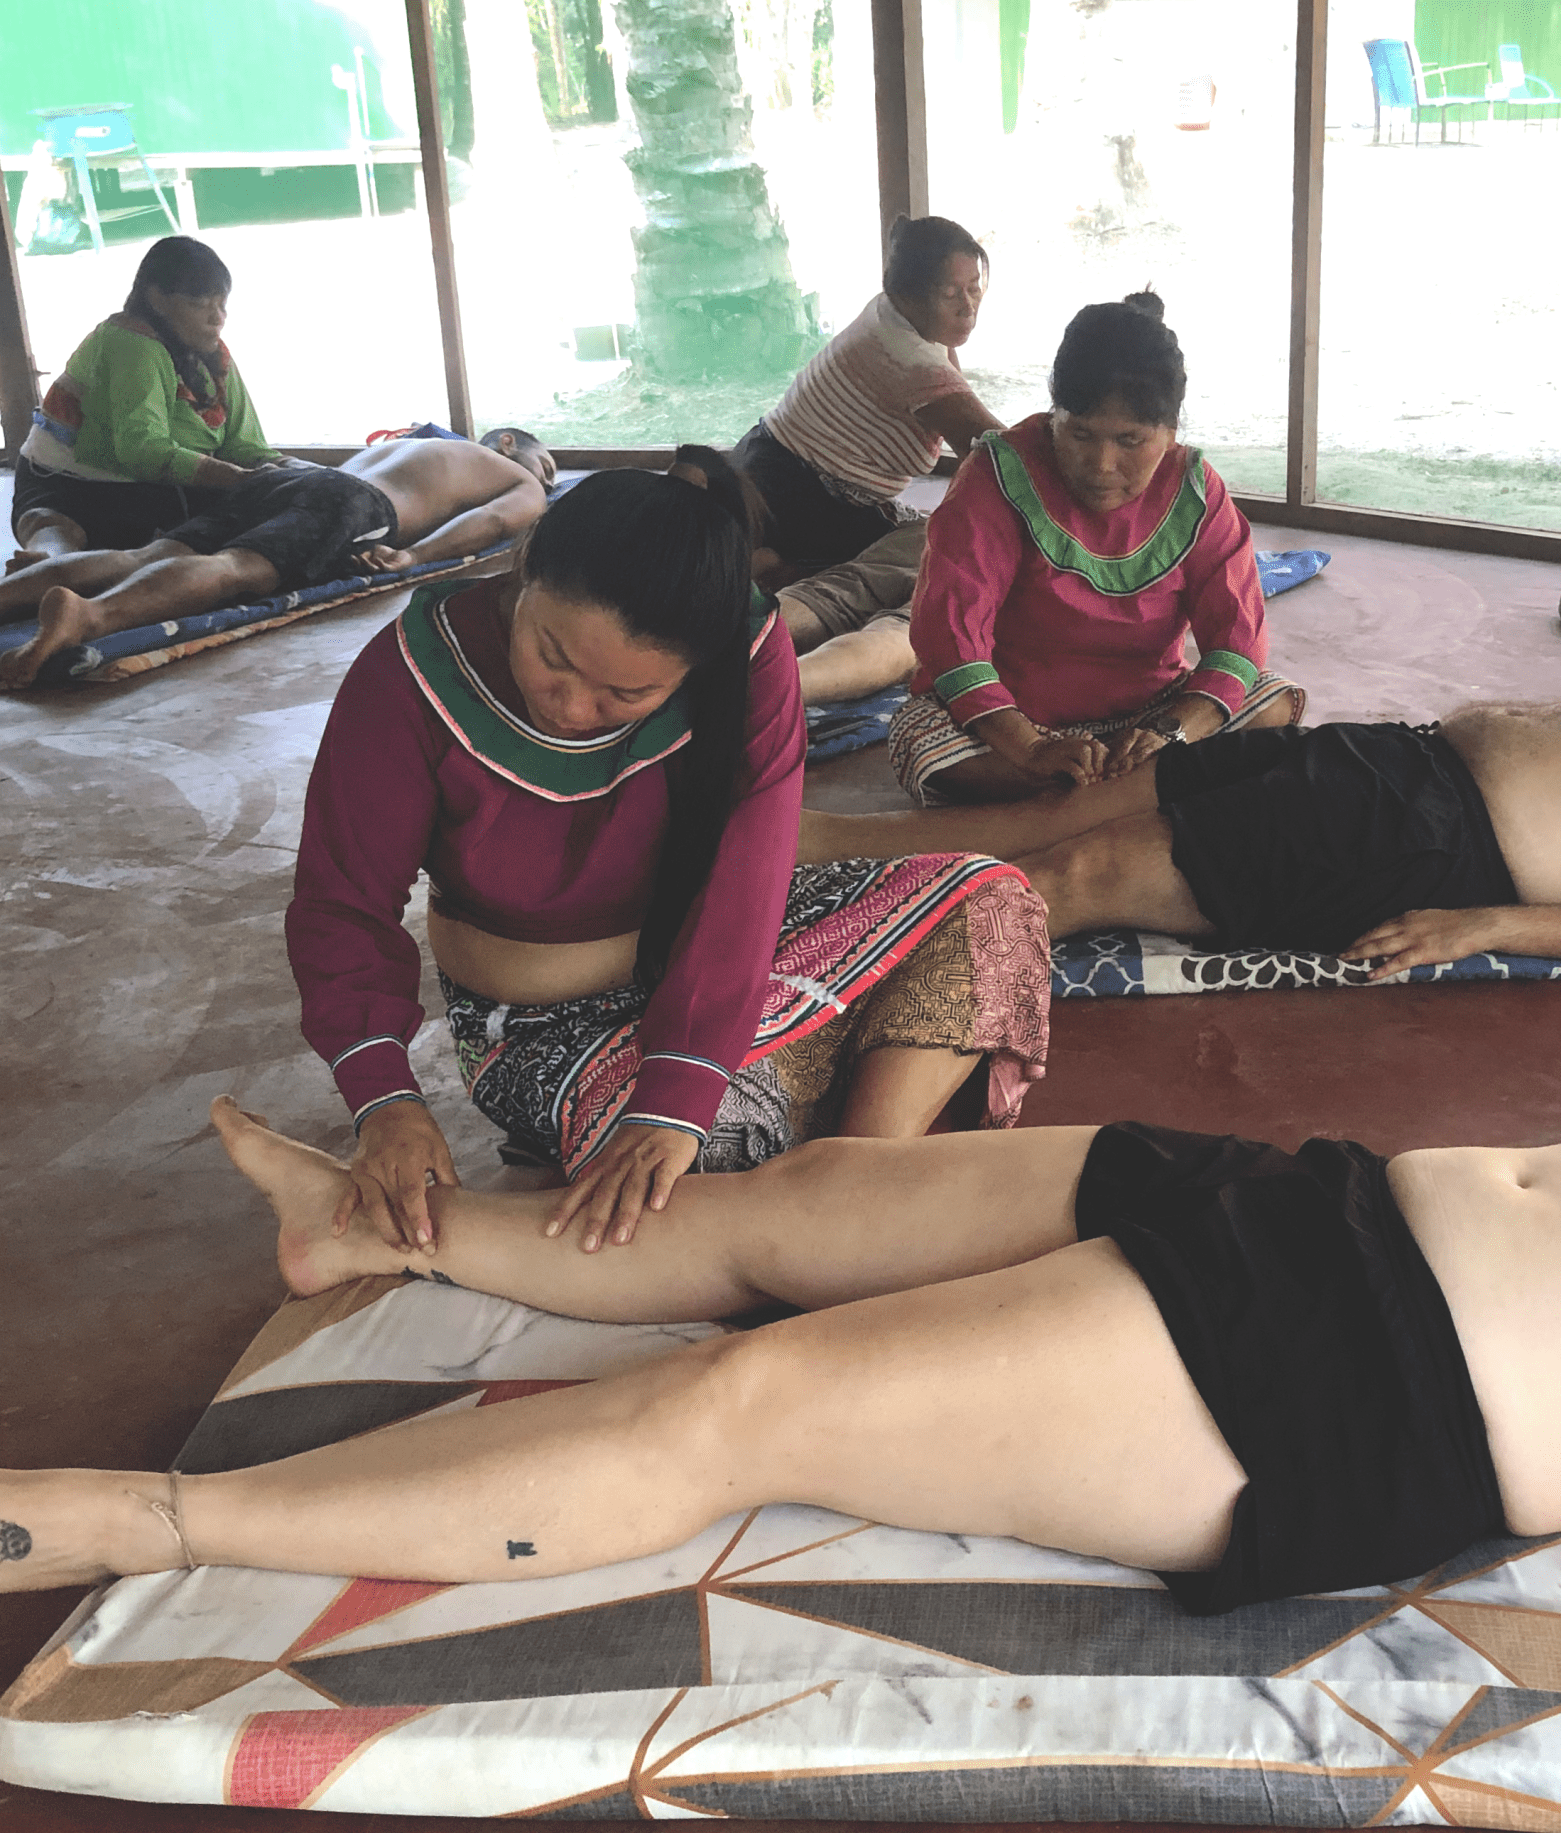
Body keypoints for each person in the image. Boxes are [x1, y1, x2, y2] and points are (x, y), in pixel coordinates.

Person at [7, 1093, 1561, 1612]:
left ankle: (133, 1523)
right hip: (1321, 1201)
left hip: (1378, 1389)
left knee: (744, 1403)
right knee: (801, 1208)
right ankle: (368, 1231)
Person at [286, 459, 1047, 1262]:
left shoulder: (745, 656)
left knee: (989, 899)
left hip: (715, 971)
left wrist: (678, 1090)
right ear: (525, 566)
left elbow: (749, 885)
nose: (572, 707)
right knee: (704, 1153)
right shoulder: (410, 674)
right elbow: (343, 903)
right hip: (537, 1026)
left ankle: (855, 1174)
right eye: (552, 655)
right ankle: (827, 1180)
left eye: (626, 697)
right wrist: (385, 1099)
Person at [801, 697, 1561, 966]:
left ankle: (793, 970)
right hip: (1399, 756)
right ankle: (790, 849)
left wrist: (1486, 924)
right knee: (1055, 814)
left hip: (1431, 835)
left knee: (1083, 870)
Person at [888, 291, 1307, 806]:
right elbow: (950, 636)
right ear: (1054, 415)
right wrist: (1031, 749)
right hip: (1017, 723)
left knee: (1271, 699)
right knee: (918, 736)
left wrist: (1171, 732)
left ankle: (1083, 795)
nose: (1102, 465)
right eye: (1080, 434)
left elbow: (1238, 644)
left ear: (1170, 432)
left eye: (1130, 441)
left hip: (1150, 716)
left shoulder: (1196, 492)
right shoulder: (996, 475)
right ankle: (1139, 788)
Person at [0, 428, 558, 688]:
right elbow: (491, 523)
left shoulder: (414, 442)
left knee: (142, 555)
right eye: (548, 467)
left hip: (293, 480)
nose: (548, 482)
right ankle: (90, 616)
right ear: (508, 442)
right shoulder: (518, 479)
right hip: (354, 502)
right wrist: (413, 553)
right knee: (237, 570)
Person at [734, 214, 1006, 707]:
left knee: (926, 543)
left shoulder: (894, 316)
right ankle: (781, 568)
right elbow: (995, 453)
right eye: (951, 293)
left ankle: (774, 570)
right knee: (930, 551)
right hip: (795, 494)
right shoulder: (907, 355)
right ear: (907, 294)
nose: (968, 306)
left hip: (770, 465)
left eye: (975, 288)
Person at [7, 235, 281, 570]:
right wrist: (239, 479)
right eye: (199, 305)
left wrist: (286, 470)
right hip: (66, 486)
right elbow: (142, 451)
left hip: (146, 493)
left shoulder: (213, 357)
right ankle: (47, 561)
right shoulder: (132, 344)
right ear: (158, 300)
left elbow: (245, 445)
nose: (217, 318)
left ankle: (55, 565)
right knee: (57, 532)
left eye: (222, 304)